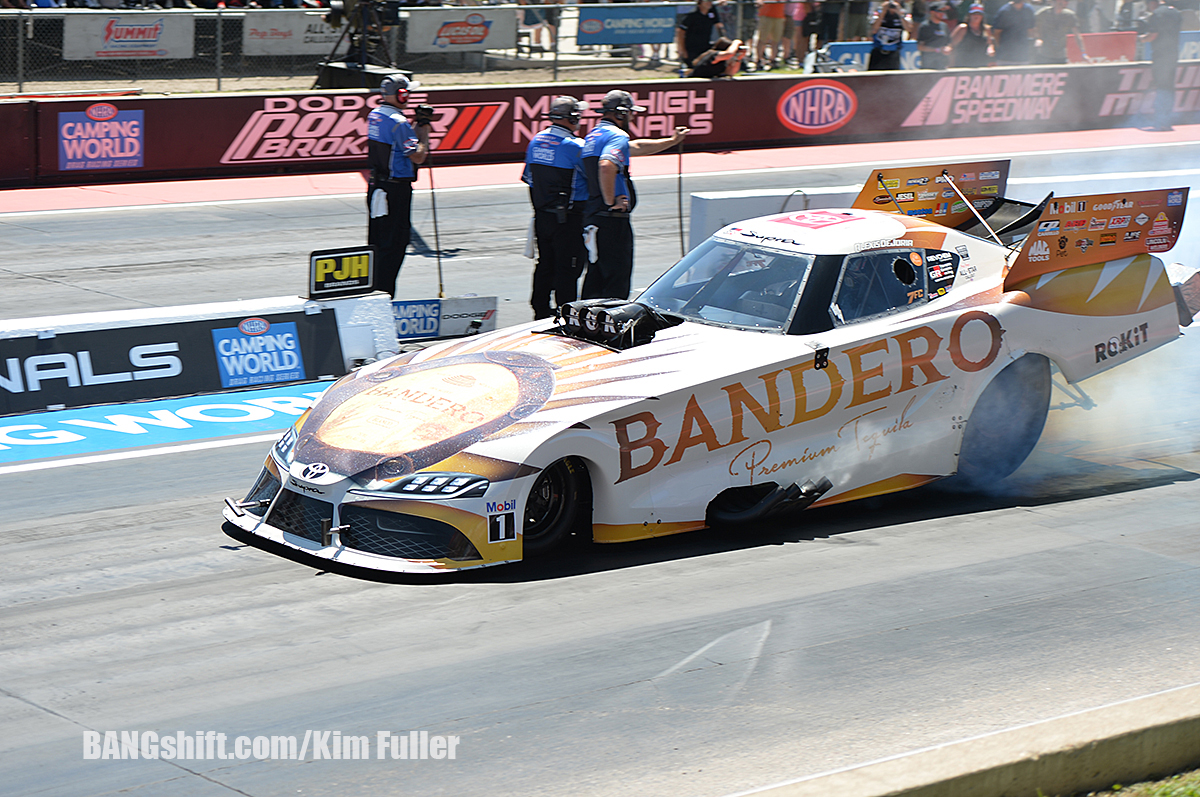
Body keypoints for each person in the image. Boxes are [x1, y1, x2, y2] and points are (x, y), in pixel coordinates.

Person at [580, 90, 689, 301]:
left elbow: (636, 147)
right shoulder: (617, 135)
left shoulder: (594, 135)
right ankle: (610, 326)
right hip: (612, 219)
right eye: (631, 113)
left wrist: (672, 140)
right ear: (621, 114)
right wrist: (610, 200)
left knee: (595, 275)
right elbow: (606, 165)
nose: (634, 117)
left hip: (594, 217)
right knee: (616, 279)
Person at [521, 96, 589, 320]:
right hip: (568, 218)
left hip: (542, 215)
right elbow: (592, 177)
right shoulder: (575, 146)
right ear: (572, 117)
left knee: (545, 263)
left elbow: (528, 177)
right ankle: (567, 314)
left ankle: (539, 308)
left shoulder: (536, 140)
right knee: (568, 267)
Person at [366, 74, 430, 298]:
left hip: (377, 186)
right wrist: (423, 130)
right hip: (396, 190)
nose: (410, 96)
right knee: (395, 245)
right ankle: (385, 295)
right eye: (407, 92)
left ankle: (373, 290)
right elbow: (419, 156)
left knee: (377, 242)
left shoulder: (375, 114)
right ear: (401, 95)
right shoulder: (399, 122)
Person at [1140, 0, 1182, 130]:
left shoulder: (1157, 14)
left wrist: (1142, 38)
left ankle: (1160, 120)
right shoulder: (1176, 12)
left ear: (1153, 3)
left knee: (1161, 87)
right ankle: (1167, 119)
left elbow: (1153, 35)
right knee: (1169, 87)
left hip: (1160, 56)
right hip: (1173, 54)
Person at [677, 0, 725, 68]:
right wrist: (682, 50)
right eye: (706, 1)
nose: (709, 3)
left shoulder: (711, 13)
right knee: (693, 67)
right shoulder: (692, 15)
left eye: (710, 1)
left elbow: (718, 24)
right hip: (692, 47)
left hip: (705, 45)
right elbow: (680, 32)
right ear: (700, 3)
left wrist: (723, 37)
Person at [868, 0, 914, 69]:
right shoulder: (879, 13)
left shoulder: (903, 14)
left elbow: (909, 29)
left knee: (893, 77)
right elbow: (874, 30)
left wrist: (899, 14)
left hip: (893, 52)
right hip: (879, 50)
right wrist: (883, 12)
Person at [991, 0, 1037, 64]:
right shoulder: (1004, 11)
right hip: (1005, 57)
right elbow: (996, 33)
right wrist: (1000, 48)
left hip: (1023, 56)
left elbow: (1031, 31)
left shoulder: (1028, 10)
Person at [917, 1, 954, 67]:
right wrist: (937, 50)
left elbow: (949, 42)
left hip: (943, 64)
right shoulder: (925, 26)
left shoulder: (944, 26)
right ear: (932, 12)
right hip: (929, 65)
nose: (942, 14)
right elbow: (920, 47)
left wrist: (948, 48)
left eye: (943, 11)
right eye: (940, 11)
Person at [754, 0, 788, 69]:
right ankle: (759, 60)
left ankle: (773, 60)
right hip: (766, 15)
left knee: (776, 40)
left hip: (779, 16)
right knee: (762, 39)